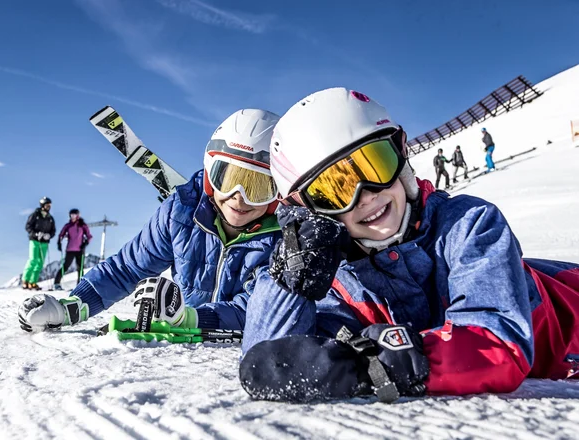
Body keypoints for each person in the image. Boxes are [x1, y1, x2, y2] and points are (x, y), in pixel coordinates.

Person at [239, 88, 579, 403]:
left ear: (401, 157)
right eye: (335, 189)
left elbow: (498, 341)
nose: (367, 194)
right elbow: (269, 361)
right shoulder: (340, 283)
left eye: (376, 164)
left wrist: (374, 365)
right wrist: (289, 281)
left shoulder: (468, 225)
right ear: (306, 210)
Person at [18, 109, 283, 333]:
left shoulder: (285, 237)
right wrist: (71, 307)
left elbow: (261, 307)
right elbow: (127, 268)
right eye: (226, 179)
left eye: (258, 187)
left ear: (279, 191)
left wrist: (190, 319)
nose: (239, 198)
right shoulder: (181, 213)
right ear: (209, 175)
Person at [53, 209, 93, 290]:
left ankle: (80, 285)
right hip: (70, 249)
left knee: (80, 267)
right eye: (71, 215)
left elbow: (89, 236)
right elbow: (61, 235)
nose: (73, 217)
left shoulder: (82, 225)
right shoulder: (68, 226)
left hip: (80, 249)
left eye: (74, 215)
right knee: (66, 266)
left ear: (78, 216)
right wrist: (59, 243)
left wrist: (85, 243)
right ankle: (56, 283)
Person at [22, 197, 56, 290]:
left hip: (44, 243)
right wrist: (36, 234)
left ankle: (33, 282)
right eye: (47, 205)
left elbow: (53, 231)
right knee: (33, 260)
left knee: (40, 263)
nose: (49, 207)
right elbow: (28, 227)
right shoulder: (35, 215)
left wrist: (49, 235)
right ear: (42, 205)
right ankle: (25, 280)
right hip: (34, 241)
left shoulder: (50, 218)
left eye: (50, 205)